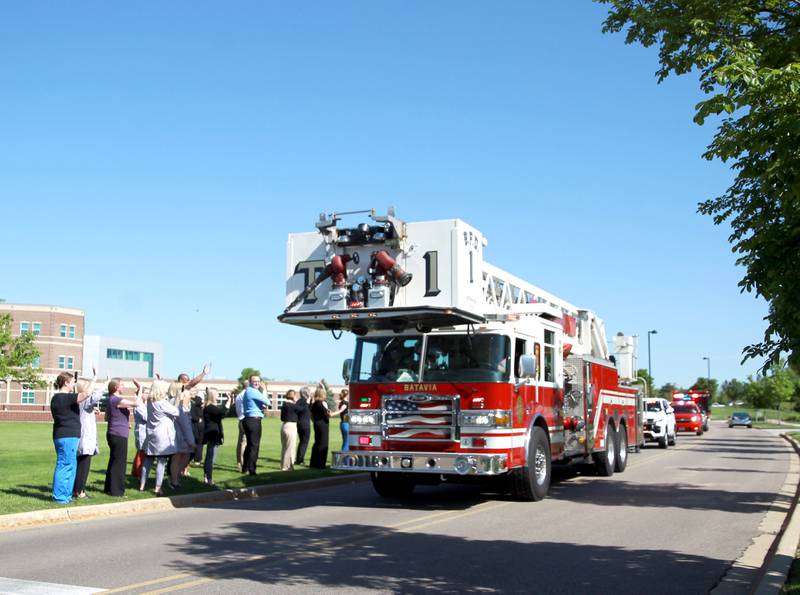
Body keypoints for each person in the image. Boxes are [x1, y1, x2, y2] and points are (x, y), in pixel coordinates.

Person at [50, 371, 95, 504]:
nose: (74, 384)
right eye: (72, 382)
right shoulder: (63, 397)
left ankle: (67, 495)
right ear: (66, 383)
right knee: (65, 465)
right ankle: (60, 497)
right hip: (67, 436)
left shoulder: (57, 398)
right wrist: (94, 378)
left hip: (65, 436)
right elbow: (86, 394)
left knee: (70, 465)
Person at [140, 380, 180, 496]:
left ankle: (142, 485)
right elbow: (176, 412)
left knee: (148, 460)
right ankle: (158, 487)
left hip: (151, 433)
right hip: (162, 435)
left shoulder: (149, 401)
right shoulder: (162, 402)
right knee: (161, 462)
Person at [103, 378, 140, 497]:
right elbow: (137, 403)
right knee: (119, 463)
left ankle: (109, 487)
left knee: (114, 460)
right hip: (118, 435)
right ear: (116, 388)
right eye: (122, 385)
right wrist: (140, 388)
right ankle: (117, 491)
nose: (123, 387)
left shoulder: (111, 400)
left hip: (113, 433)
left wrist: (124, 422)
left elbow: (107, 418)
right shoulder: (116, 399)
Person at [72, 379, 103, 499]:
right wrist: (102, 383)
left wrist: (93, 410)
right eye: (87, 386)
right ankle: (80, 492)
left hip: (82, 437)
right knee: (84, 466)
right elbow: (95, 397)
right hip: (85, 438)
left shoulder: (79, 401)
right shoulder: (84, 400)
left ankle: (77, 489)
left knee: (80, 465)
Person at [242, 374, 270, 475]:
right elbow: (268, 402)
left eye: (258, 381)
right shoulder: (253, 391)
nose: (257, 383)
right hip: (253, 421)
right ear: (250, 382)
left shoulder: (249, 391)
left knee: (250, 445)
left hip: (248, 420)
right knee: (254, 446)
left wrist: (261, 405)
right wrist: (265, 390)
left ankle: (245, 467)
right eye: (255, 381)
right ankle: (252, 469)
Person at [170, 387, 196, 488]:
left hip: (182, 437)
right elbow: (186, 427)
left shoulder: (185, 408)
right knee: (177, 459)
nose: (190, 396)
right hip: (180, 438)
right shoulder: (180, 409)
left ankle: (175, 478)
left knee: (183, 459)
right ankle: (174, 480)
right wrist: (191, 442)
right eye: (188, 395)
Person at [201, 388, 225, 485]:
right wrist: (228, 403)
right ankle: (209, 478)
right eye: (217, 394)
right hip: (212, 433)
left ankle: (206, 476)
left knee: (209, 456)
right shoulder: (210, 407)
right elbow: (222, 413)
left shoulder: (210, 407)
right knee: (211, 457)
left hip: (213, 433)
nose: (218, 396)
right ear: (212, 395)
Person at [309, 387, 330, 469]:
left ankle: (313, 463)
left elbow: (311, 414)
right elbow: (327, 414)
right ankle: (321, 464)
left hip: (316, 423)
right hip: (323, 424)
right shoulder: (321, 403)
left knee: (317, 442)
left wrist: (314, 420)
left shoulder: (314, 404)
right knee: (323, 443)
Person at [131, 380, 148, 478]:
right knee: (141, 452)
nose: (147, 395)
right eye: (145, 393)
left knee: (142, 452)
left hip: (145, 430)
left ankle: (136, 472)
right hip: (141, 431)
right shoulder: (139, 406)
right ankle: (138, 472)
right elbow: (146, 417)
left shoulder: (144, 404)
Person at [280, 390, 298, 471]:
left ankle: (284, 465)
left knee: (285, 447)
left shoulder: (284, 404)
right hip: (290, 426)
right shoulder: (291, 405)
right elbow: (302, 409)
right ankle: (287, 467)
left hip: (284, 425)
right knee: (290, 447)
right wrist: (296, 401)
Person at [294, 386, 311, 466]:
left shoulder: (298, 401)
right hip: (305, 424)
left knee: (302, 442)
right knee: (304, 442)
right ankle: (300, 460)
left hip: (299, 423)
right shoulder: (306, 402)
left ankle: (299, 458)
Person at [189, 391, 204, 466]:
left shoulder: (197, 399)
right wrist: (197, 419)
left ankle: (197, 459)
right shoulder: (191, 401)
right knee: (196, 442)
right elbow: (192, 414)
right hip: (194, 424)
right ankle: (194, 459)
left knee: (199, 442)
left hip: (199, 424)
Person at [234, 386, 247, 471]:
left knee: (240, 442)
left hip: (240, 419)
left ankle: (239, 462)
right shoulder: (246, 395)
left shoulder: (239, 395)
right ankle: (243, 464)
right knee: (244, 443)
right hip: (245, 419)